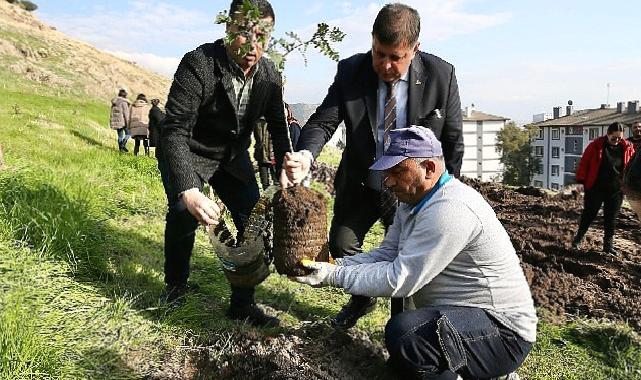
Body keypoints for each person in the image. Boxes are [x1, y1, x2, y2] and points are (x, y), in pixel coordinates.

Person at [292, 126, 536, 380]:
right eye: (387, 172)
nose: (388, 181)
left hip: (502, 332)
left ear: (429, 168)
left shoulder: (450, 210)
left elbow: (401, 279)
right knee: (404, 360)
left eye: (397, 171)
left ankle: (494, 373)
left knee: (406, 335)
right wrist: (337, 265)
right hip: (463, 318)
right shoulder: (413, 204)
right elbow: (387, 254)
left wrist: (333, 277)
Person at [281, 3, 464, 329]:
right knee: (341, 244)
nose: (386, 65)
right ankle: (361, 299)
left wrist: (445, 196)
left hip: (413, 189)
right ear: (372, 41)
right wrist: (306, 155)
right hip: (362, 179)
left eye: (396, 57)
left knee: (405, 257)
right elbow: (323, 122)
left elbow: (452, 141)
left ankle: (400, 324)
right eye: (379, 53)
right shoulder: (352, 71)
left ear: (415, 49)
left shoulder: (442, 75)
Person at [158, 0, 290, 326]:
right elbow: (173, 130)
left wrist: (287, 165)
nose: (253, 46)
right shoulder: (198, 65)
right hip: (190, 151)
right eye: (245, 34)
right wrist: (188, 189)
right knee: (182, 213)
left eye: (263, 37)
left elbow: (277, 127)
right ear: (229, 28)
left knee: (252, 222)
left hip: (231, 157)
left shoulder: (270, 76)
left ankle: (242, 303)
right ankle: (175, 285)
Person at [572, 122, 635, 254]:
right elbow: (584, 163)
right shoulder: (596, 145)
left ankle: (608, 246)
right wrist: (579, 181)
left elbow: (631, 168)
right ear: (608, 134)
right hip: (596, 187)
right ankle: (577, 239)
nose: (617, 140)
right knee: (589, 214)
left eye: (620, 138)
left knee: (611, 217)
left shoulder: (627, 147)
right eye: (614, 137)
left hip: (616, 189)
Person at [253, 117, 277, 189]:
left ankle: (274, 198)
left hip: (268, 156)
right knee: (269, 183)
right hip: (264, 155)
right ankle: (272, 198)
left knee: (272, 183)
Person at [110, 88, 131, 152]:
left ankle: (121, 150)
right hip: (123, 122)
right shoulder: (124, 103)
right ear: (125, 95)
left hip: (116, 122)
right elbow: (126, 114)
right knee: (129, 133)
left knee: (120, 136)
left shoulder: (114, 103)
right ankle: (123, 145)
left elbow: (112, 113)